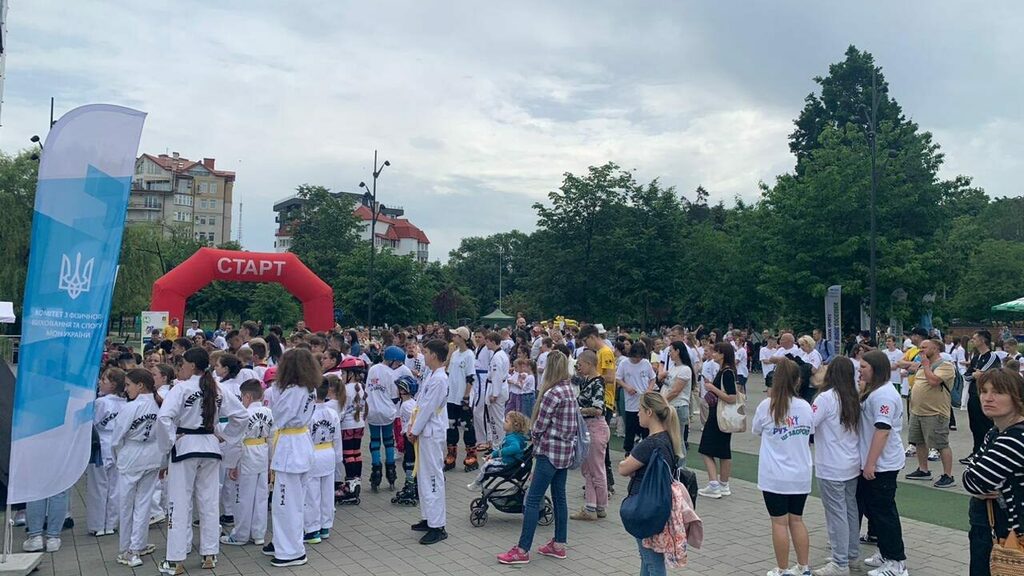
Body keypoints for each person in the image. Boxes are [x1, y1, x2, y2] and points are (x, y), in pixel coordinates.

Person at [157, 347, 247, 575]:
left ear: (192, 365)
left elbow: (164, 417)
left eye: (183, 364)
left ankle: (175, 559)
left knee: (179, 502)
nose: (181, 368)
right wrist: (225, 437)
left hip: (186, 446)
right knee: (209, 502)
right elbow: (241, 416)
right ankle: (209, 554)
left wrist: (170, 442)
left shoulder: (182, 388)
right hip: (210, 447)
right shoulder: (217, 388)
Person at [497, 352, 577, 565]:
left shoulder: (552, 393)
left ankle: (522, 549)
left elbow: (539, 426)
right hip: (565, 452)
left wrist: (533, 435)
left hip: (548, 452)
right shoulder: (569, 389)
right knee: (559, 497)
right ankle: (559, 544)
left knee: (532, 499)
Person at [752, 358, 813, 576]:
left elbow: (756, 430)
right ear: (798, 381)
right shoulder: (805, 406)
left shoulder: (767, 406)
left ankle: (783, 569)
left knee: (779, 523)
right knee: (796, 519)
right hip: (801, 474)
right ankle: (804, 567)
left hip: (775, 476)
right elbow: (810, 432)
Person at [258, 349, 318, 567]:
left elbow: (279, 416)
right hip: (300, 442)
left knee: (285, 503)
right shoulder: (309, 388)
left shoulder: (294, 390)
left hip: (291, 447)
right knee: (294, 501)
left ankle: (292, 551)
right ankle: (282, 542)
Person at [962, 368, 1024, 576]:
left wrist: (976, 477)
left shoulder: (1014, 438)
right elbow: (972, 472)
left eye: (998, 392)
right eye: (984, 391)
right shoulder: (995, 432)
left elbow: (974, 481)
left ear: (1017, 397)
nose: (988, 398)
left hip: (1010, 533)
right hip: (992, 527)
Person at [617, 392, 683, 576]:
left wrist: (629, 465)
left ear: (649, 412)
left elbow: (623, 468)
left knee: (653, 563)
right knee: (647, 558)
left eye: (640, 410)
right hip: (659, 505)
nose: (637, 413)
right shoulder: (668, 439)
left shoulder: (649, 444)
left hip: (644, 506)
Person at [857, 350, 909, 576]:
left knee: (884, 511)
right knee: (874, 509)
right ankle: (885, 552)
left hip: (883, 463)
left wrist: (871, 463)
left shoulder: (883, 395)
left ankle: (897, 562)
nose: (859, 371)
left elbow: (882, 430)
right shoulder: (874, 391)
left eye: (864, 367)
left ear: (876, 369)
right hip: (876, 461)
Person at [810, 357, 862, 576]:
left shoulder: (825, 398)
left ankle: (840, 562)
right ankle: (851, 555)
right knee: (850, 509)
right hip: (851, 462)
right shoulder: (853, 396)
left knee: (836, 513)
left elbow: (809, 423)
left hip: (831, 464)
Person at [112, 369, 164, 567]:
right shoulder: (159, 405)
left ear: (140, 385)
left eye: (128, 385)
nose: (126, 389)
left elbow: (116, 438)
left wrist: (118, 456)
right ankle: (137, 545)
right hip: (152, 456)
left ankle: (127, 549)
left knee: (126, 505)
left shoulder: (131, 407)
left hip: (131, 457)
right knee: (143, 504)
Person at [221, 379, 274, 547]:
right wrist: (271, 462)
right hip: (263, 452)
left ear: (248, 396)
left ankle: (241, 535)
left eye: (242, 397)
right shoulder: (269, 412)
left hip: (246, 455)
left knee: (243, 497)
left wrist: (231, 464)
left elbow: (236, 441)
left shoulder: (244, 414)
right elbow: (272, 437)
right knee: (261, 497)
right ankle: (258, 534)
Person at [408, 339, 451, 545]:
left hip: (431, 433)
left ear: (434, 355)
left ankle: (438, 525)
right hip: (425, 430)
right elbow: (420, 402)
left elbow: (427, 408)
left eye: (425, 352)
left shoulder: (440, 379)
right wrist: (412, 425)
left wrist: (414, 430)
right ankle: (428, 517)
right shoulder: (431, 375)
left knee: (433, 477)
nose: (423, 355)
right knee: (424, 477)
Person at [904, 339, 957, 488]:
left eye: (924, 347)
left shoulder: (945, 365)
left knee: (941, 444)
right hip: (917, 411)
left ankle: (948, 475)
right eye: (920, 347)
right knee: (919, 441)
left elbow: (934, 381)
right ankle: (923, 470)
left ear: (935, 348)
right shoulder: (922, 365)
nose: (921, 350)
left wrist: (926, 365)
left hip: (935, 412)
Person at [571, 350, 610, 521]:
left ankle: (598, 505)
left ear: (589, 364)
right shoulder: (588, 381)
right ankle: (593, 505)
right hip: (588, 427)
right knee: (589, 469)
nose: (578, 368)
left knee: (595, 469)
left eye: (580, 364)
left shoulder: (597, 383)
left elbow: (598, 409)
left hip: (595, 427)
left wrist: (578, 410)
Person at [303, 379, 343, 544]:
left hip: (313, 453)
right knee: (327, 492)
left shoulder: (308, 414)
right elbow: (337, 437)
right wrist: (338, 458)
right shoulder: (332, 413)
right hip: (329, 453)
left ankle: (312, 529)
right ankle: (325, 526)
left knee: (312, 493)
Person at [698, 342, 738, 499]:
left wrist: (712, 388)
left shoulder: (726, 372)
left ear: (722, 354)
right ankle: (723, 484)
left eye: (715, 352)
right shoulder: (725, 371)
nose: (712, 354)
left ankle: (714, 484)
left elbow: (732, 397)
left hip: (719, 415)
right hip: (721, 415)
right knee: (723, 450)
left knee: (706, 449)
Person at [87, 367, 125, 537]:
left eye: (104, 380)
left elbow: (93, 423)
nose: (100, 382)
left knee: (98, 486)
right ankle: (111, 523)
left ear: (113, 384)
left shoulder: (101, 402)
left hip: (101, 445)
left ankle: (97, 525)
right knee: (115, 487)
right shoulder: (125, 403)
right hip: (118, 445)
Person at [964, 330, 1002, 461]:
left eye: (975, 338)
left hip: (984, 395)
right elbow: (967, 376)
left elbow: (984, 374)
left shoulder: (991, 356)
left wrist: (977, 374)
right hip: (973, 395)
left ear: (983, 340)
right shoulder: (976, 358)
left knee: (985, 425)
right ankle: (976, 451)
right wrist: (974, 374)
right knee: (974, 425)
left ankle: (987, 452)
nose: (972, 341)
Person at [467, 411, 530, 489]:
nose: (503, 422)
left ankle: (477, 484)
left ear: (514, 426)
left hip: (507, 464)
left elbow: (515, 448)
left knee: (486, 466)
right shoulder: (515, 436)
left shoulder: (512, 438)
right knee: (489, 462)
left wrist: (499, 453)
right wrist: (493, 454)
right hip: (512, 462)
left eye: (506, 421)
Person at [445, 327, 478, 472]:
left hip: (463, 396)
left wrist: (466, 396)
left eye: (455, 335)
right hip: (451, 396)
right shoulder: (455, 354)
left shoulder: (469, 355)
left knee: (466, 425)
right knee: (451, 425)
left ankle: (471, 455)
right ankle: (451, 454)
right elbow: (448, 372)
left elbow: (470, 377)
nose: (453, 337)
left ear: (462, 338)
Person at [336, 357, 368, 504]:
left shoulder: (345, 389)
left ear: (351, 374)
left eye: (343, 373)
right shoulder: (361, 387)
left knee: (348, 454)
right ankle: (356, 482)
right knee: (356, 453)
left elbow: (341, 411)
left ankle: (349, 486)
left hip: (347, 425)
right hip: (359, 424)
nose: (341, 376)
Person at [365, 351, 398, 493]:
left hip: (372, 410)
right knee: (389, 441)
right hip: (386, 411)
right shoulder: (391, 373)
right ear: (392, 360)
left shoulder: (373, 369)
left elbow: (368, 389)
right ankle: (391, 471)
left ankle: (376, 471)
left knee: (375, 442)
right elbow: (394, 396)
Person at [617, 341, 656, 454]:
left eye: (640, 357)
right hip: (631, 401)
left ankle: (646, 450)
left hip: (644, 400)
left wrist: (649, 389)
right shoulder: (624, 363)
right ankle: (628, 450)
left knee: (645, 427)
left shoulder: (646, 363)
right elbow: (618, 378)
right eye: (635, 357)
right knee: (630, 427)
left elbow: (653, 378)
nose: (637, 359)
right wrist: (627, 387)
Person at [661, 341, 694, 453]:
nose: (669, 353)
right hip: (670, 405)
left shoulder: (685, 369)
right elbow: (669, 385)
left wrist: (661, 401)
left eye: (671, 351)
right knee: (670, 437)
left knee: (677, 439)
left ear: (677, 351)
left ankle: (681, 462)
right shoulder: (673, 367)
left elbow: (675, 391)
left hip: (678, 406)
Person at [392, 376, 420, 506]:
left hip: (409, 437)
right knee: (410, 462)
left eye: (398, 388)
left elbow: (413, 420)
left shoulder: (406, 405)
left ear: (403, 390)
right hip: (411, 436)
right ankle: (414, 484)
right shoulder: (410, 403)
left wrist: (409, 433)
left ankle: (411, 486)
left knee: (409, 462)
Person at [481, 332, 511, 450]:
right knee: (496, 419)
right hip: (499, 387)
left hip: (497, 389)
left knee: (496, 420)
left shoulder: (498, 357)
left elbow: (497, 376)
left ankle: (498, 447)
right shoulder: (500, 354)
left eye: (487, 341)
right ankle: (497, 445)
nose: (486, 344)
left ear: (493, 342)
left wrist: (495, 394)